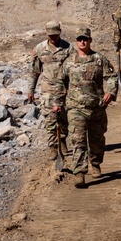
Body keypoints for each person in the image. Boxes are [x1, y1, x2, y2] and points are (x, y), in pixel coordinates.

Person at [53, 27, 117, 188]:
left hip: (97, 107)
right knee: (78, 140)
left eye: (85, 39)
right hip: (76, 108)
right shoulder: (68, 62)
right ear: (76, 41)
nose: (82, 42)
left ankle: (95, 163)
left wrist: (110, 91)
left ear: (90, 41)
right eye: (80, 39)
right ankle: (79, 172)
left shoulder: (99, 59)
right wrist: (57, 103)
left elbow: (111, 77)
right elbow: (60, 83)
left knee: (96, 140)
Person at [27, 21, 73, 168]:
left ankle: (63, 141)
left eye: (55, 34)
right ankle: (53, 146)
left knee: (64, 118)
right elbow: (34, 72)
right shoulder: (39, 49)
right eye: (50, 35)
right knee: (50, 120)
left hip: (65, 90)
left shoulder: (68, 48)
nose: (53, 38)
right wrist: (31, 90)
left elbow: (75, 69)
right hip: (47, 91)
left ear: (60, 32)